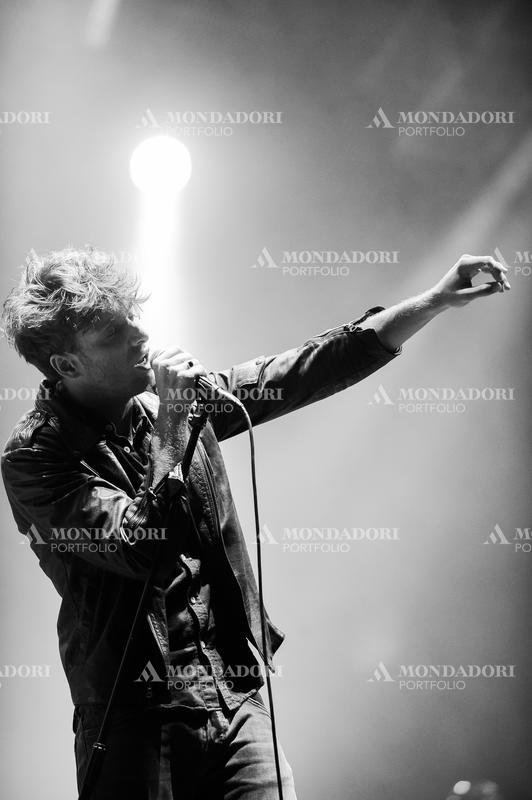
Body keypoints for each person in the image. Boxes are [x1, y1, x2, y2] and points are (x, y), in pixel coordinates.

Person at [1, 247, 509, 800]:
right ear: (67, 365)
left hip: (237, 693)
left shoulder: (169, 406)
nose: (140, 337)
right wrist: (173, 423)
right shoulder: (35, 459)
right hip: (134, 715)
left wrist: (432, 301)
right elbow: (137, 544)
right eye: (113, 334)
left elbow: (297, 372)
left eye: (133, 319)